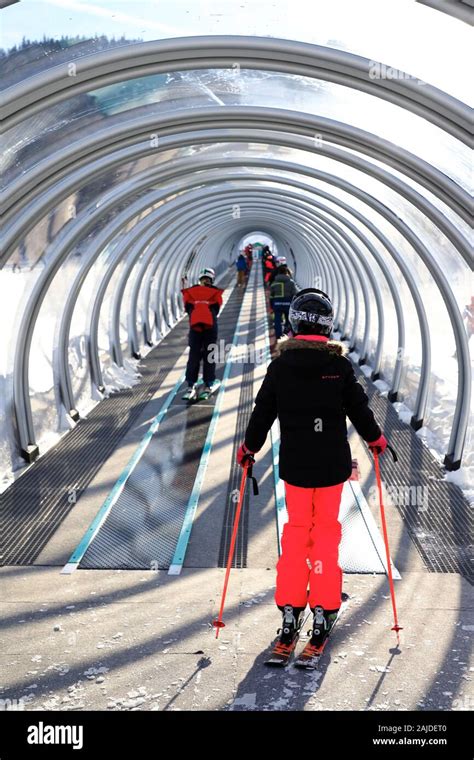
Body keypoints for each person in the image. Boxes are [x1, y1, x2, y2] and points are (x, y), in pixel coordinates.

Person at [236, 288, 388, 655]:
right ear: (328, 326)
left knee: (296, 536)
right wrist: (376, 440)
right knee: (325, 536)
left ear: (294, 323)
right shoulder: (338, 367)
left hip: (296, 469)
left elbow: (262, 413)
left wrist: (249, 449)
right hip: (332, 468)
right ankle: (323, 611)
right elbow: (359, 409)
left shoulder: (280, 367)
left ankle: (290, 613)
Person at [181, 267, 223, 400]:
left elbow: (188, 309)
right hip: (210, 328)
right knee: (209, 354)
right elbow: (216, 310)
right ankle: (208, 384)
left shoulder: (191, 292)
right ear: (211, 279)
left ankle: (190, 385)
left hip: (195, 328)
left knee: (194, 355)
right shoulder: (215, 293)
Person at [269, 265, 298, 339]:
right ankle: (287, 334)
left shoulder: (274, 283)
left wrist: (271, 305)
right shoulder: (291, 283)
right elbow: (294, 294)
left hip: (277, 303)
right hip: (288, 303)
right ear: (287, 272)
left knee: (277, 320)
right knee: (289, 320)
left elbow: (271, 295)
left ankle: (278, 335)